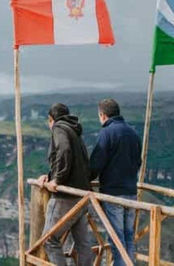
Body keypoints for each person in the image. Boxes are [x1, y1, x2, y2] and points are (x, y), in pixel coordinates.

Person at [36, 103, 93, 266]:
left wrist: (57, 180)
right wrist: (49, 176)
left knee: (49, 239)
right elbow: (76, 162)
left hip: (65, 197)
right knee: (83, 244)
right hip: (82, 196)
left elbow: (64, 151)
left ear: (50, 119)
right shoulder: (75, 131)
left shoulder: (59, 128)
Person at [89, 98, 142, 266]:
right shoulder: (133, 132)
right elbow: (138, 161)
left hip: (113, 193)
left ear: (103, 115)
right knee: (128, 238)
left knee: (116, 239)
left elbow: (97, 162)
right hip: (131, 192)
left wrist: (86, 178)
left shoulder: (107, 133)